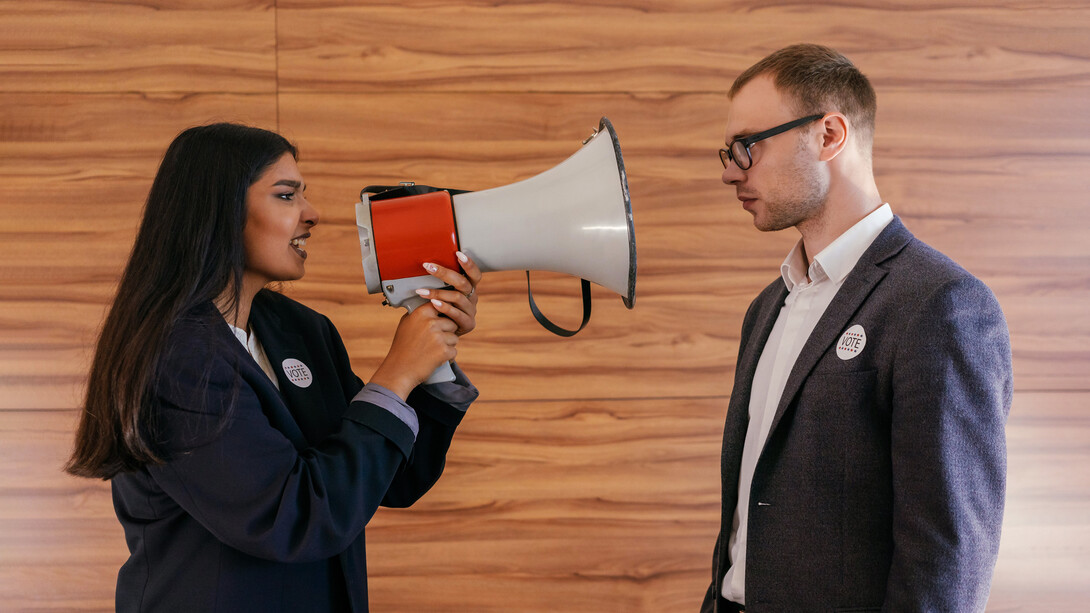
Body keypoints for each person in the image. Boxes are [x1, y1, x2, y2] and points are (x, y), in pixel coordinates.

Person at [65, 122, 482, 612]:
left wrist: (430, 355)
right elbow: (294, 518)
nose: (312, 214)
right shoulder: (174, 360)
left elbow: (390, 478)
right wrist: (396, 375)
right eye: (286, 196)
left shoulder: (301, 329)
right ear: (219, 211)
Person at [702, 44, 1013, 612]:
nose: (730, 172)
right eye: (728, 151)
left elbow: (948, 559)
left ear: (829, 135)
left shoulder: (943, 305)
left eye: (748, 147)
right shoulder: (767, 307)